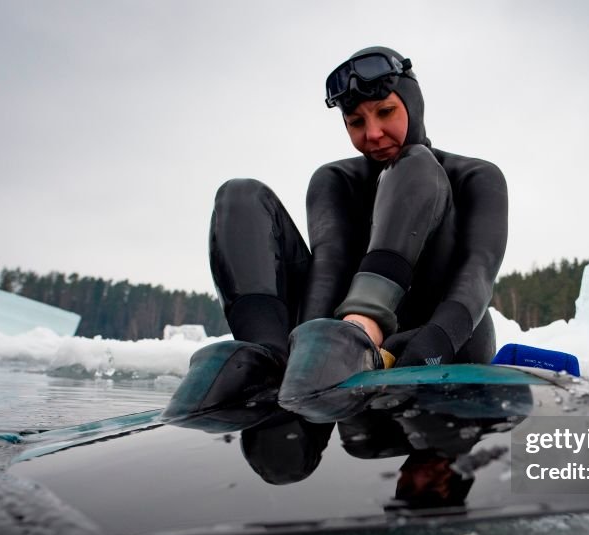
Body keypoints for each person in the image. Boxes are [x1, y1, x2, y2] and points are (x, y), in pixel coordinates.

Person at [185, 46, 508, 417]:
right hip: (344, 343)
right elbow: (330, 266)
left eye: (386, 112)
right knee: (238, 193)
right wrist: (306, 353)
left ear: (413, 105)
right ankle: (266, 353)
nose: (373, 133)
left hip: (446, 335)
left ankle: (365, 324)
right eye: (356, 122)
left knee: (416, 160)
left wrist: (437, 339)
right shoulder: (335, 179)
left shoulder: (477, 176)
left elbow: (479, 271)